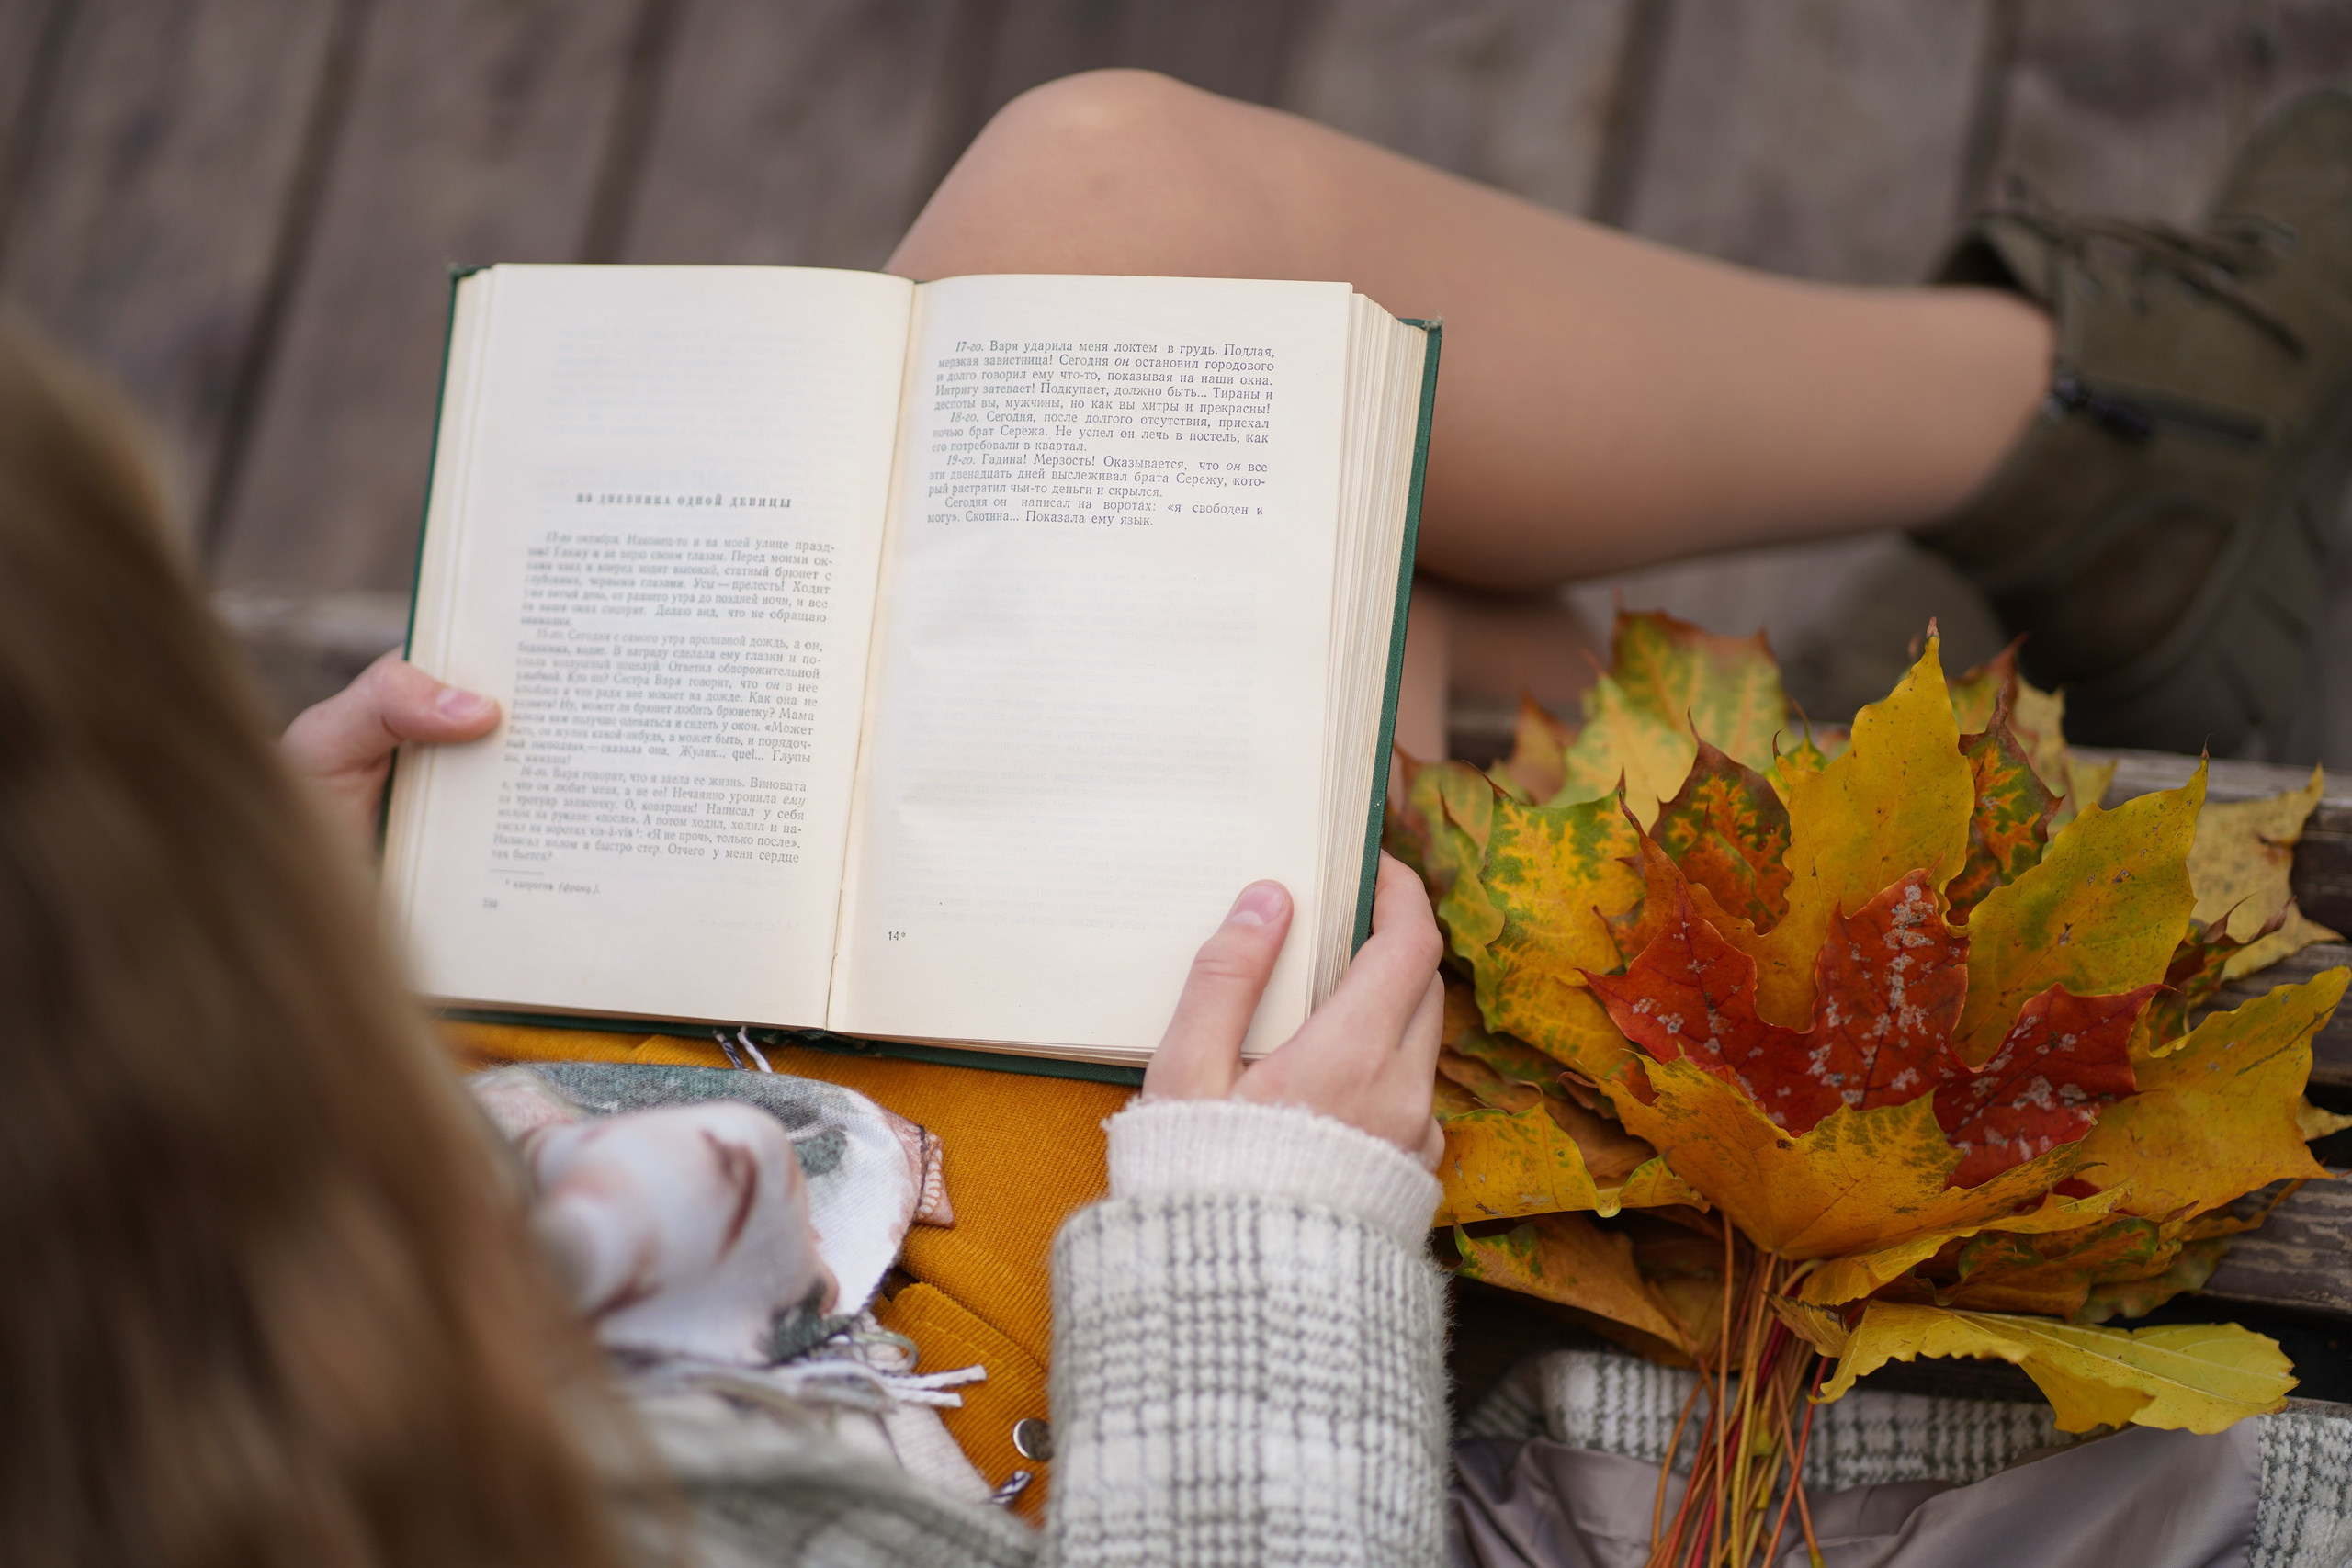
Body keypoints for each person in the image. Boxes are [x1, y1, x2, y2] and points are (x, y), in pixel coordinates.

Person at [0, 316, 1453, 1562]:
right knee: (1372, 565)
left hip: (584, 1165)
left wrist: (247, 957)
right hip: (1070, 1370)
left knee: (1121, 240)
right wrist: (1275, 1238)